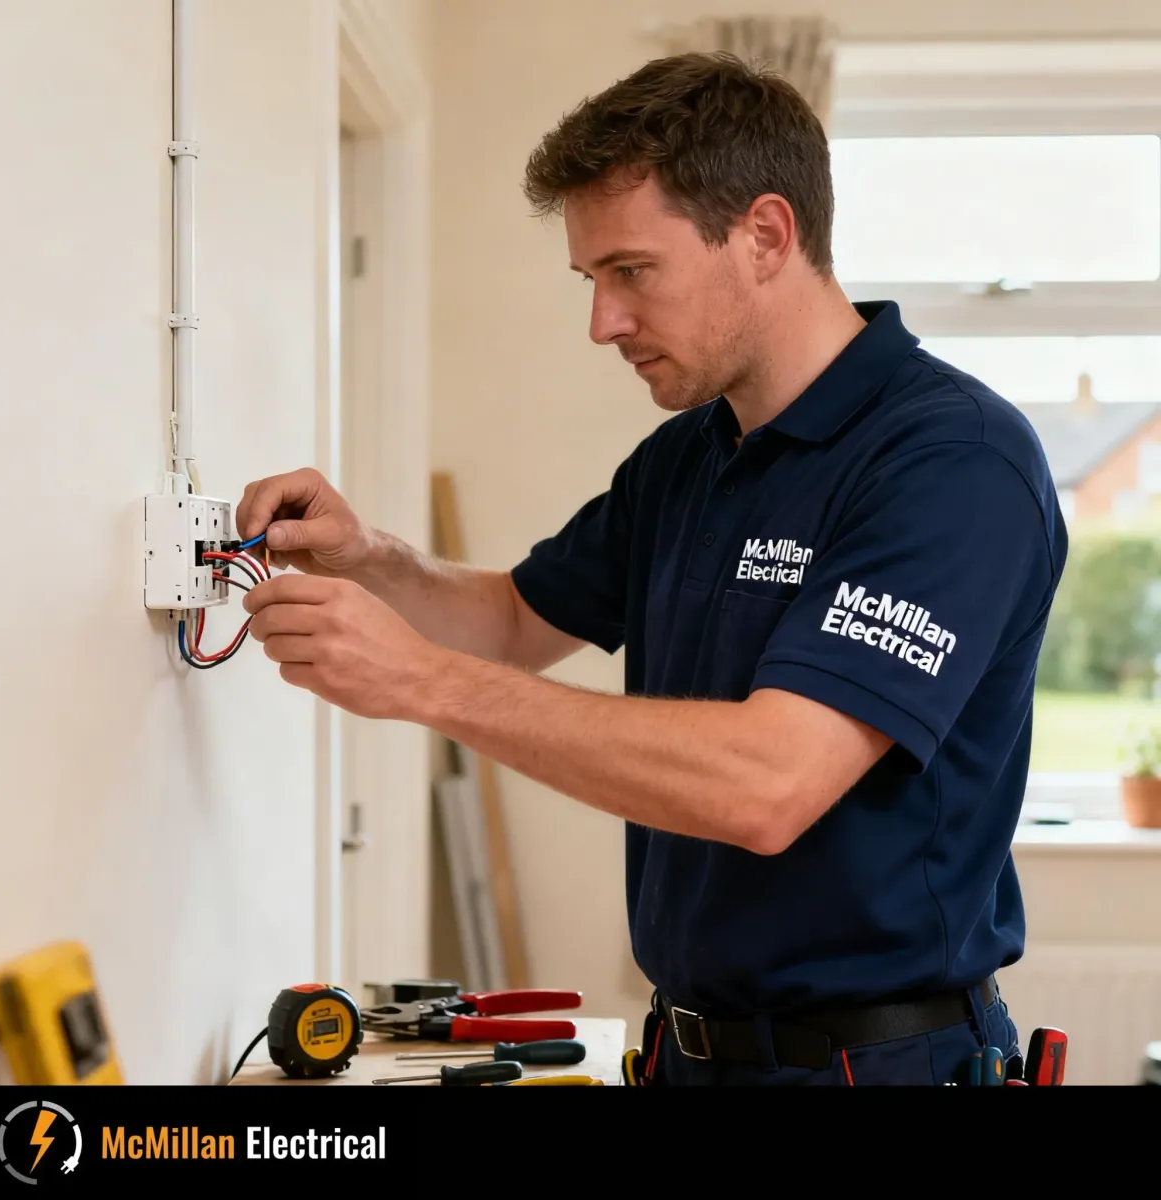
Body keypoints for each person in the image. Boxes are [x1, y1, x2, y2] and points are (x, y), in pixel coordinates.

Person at [236, 52, 1067, 1086]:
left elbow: (771, 782)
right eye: (592, 281)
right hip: (684, 1050)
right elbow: (508, 622)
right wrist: (370, 561)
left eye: (632, 271)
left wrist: (418, 682)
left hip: (877, 1063)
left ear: (766, 234)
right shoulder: (687, 457)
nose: (604, 323)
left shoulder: (952, 464)